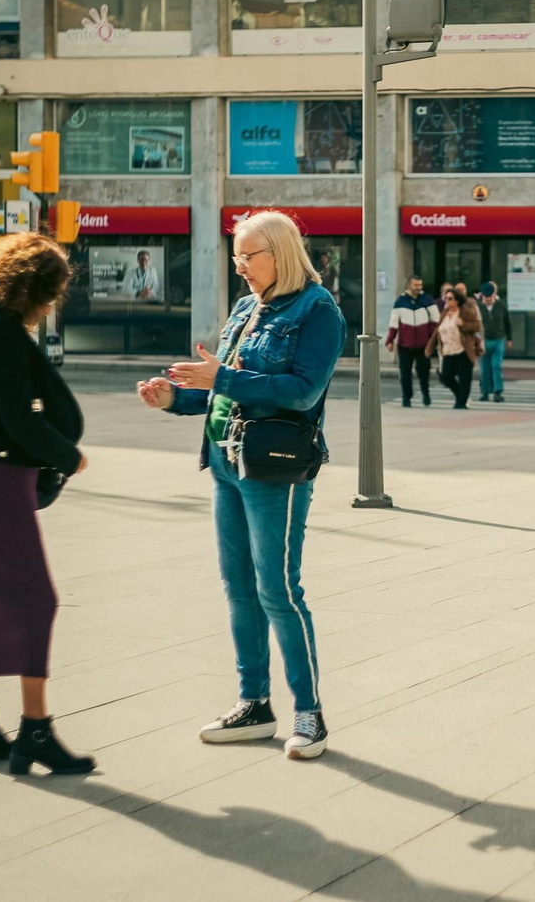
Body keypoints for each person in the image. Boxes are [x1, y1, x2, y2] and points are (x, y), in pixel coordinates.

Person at [136, 211, 345, 760]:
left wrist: (220, 376)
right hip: (227, 461)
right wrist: (174, 399)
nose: (241, 268)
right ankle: (254, 704)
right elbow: (220, 393)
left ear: (280, 252)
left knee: (278, 590)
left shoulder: (317, 309)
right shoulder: (245, 308)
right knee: (238, 588)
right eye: (235, 259)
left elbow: (301, 391)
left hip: (275, 465)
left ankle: (309, 715)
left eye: (248, 257)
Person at [0, 232, 94, 776]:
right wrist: (69, 456)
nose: (52, 304)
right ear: (36, 289)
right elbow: (19, 418)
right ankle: (34, 730)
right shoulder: (3, 333)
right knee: (36, 600)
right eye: (53, 292)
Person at [385, 275, 439, 408]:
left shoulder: (427, 300)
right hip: (405, 345)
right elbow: (393, 323)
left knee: (424, 372)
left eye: (420, 285)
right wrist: (390, 340)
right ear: (408, 285)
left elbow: (435, 321)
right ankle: (406, 398)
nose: (418, 287)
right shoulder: (400, 302)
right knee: (405, 373)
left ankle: (426, 394)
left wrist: (430, 338)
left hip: (423, 345)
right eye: (415, 285)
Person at [427, 288, 482, 409]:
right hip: (448, 351)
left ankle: (461, 403)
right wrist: (429, 348)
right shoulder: (444, 313)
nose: (447, 300)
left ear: (457, 301)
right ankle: (460, 396)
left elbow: (477, 325)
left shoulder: (465, 312)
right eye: (446, 298)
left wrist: (463, 324)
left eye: (450, 298)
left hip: (463, 350)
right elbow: (437, 331)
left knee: (464, 379)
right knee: (446, 376)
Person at [477, 281, 511, 403]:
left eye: (490, 297)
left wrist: (509, 338)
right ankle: (485, 392)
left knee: (496, 366)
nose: (488, 299)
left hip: (498, 340)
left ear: (494, 295)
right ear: (482, 296)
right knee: (484, 369)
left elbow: (507, 322)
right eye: (486, 297)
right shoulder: (478, 307)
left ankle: (498, 392)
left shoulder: (501, 305)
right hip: (483, 341)